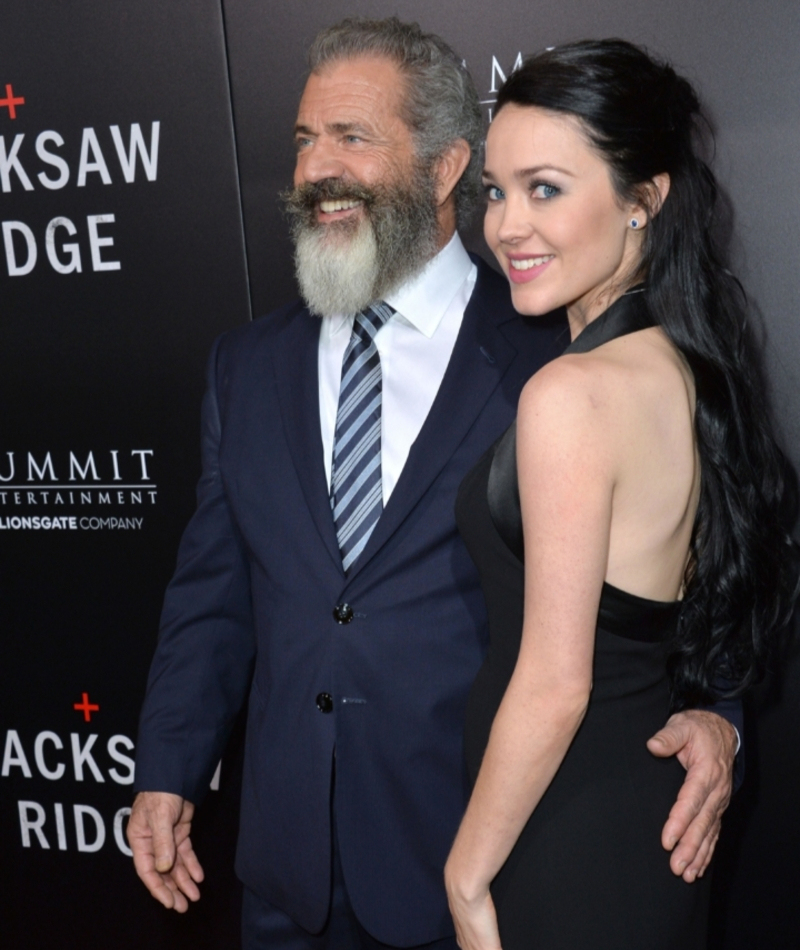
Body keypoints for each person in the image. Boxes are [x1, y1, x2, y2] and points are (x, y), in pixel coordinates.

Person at [128, 20, 741, 950]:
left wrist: (718, 715)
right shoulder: (243, 366)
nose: (315, 170)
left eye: (352, 138)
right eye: (304, 140)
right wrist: (168, 767)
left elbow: (699, 547)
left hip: (481, 872)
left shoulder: (559, 349)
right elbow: (214, 595)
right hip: (285, 881)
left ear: (449, 165)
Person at [444, 39, 797, 950]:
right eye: (496, 190)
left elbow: (558, 683)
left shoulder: (569, 395)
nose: (508, 224)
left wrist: (467, 870)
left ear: (644, 199)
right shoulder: (685, 370)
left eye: (546, 188)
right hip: (639, 830)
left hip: (560, 834)